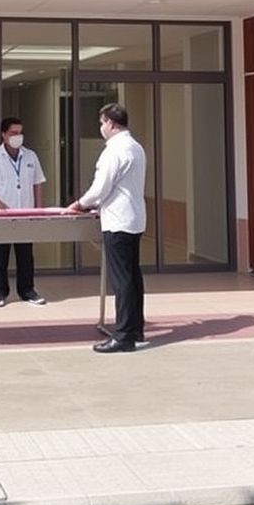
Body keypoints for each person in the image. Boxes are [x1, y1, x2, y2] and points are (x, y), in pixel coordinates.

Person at [67, 102, 146, 353]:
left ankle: (123, 336)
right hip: (134, 219)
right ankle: (135, 328)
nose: (101, 127)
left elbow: (101, 187)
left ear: (110, 123)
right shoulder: (136, 147)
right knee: (132, 277)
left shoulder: (114, 150)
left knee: (122, 280)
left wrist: (80, 204)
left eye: (102, 123)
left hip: (118, 221)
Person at [0, 117, 47, 308]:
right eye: (13, 133)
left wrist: (38, 209)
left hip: (25, 213)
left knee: (25, 255)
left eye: (20, 132)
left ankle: (27, 290)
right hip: (0, 216)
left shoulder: (30, 156)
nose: (18, 136)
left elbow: (38, 183)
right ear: (4, 134)